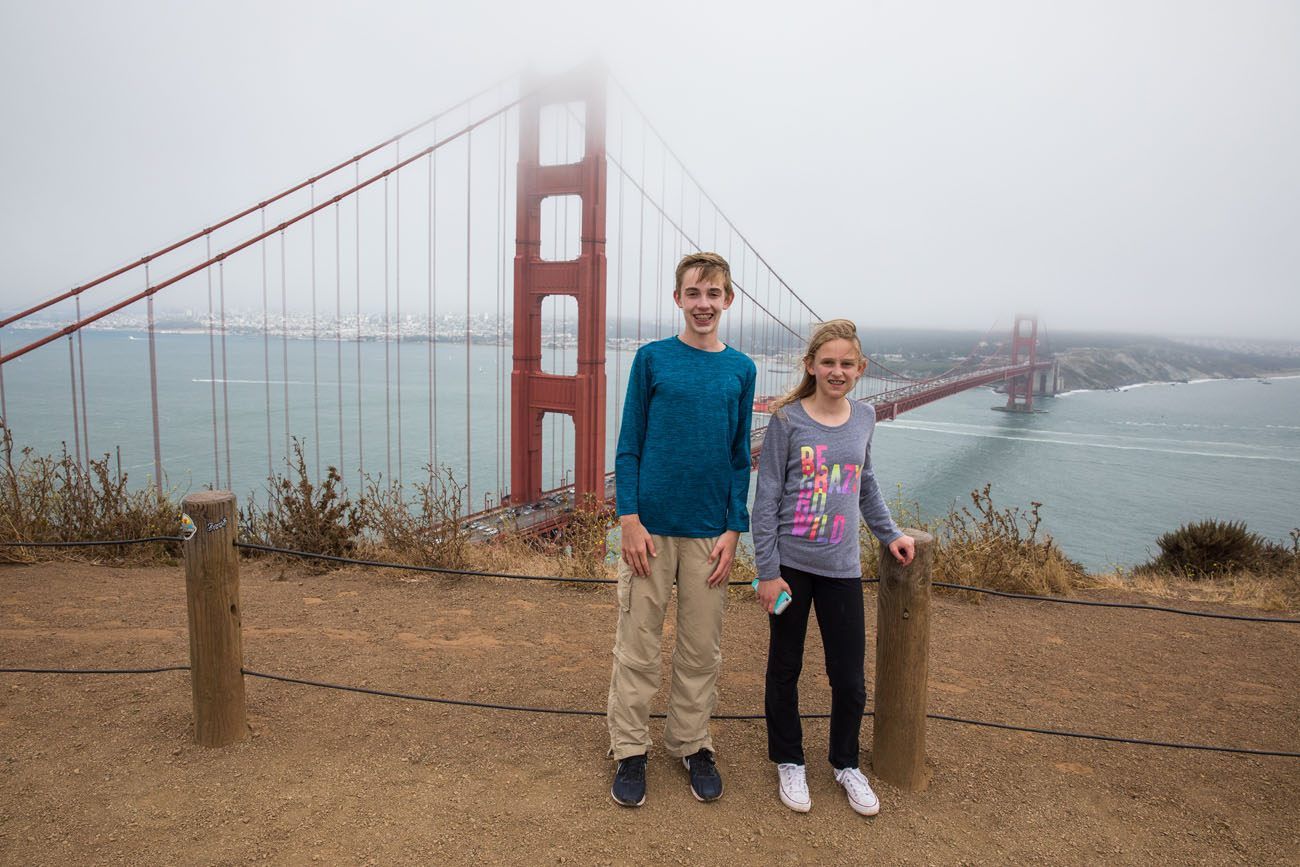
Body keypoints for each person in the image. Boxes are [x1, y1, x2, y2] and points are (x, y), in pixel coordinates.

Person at [607, 251, 757, 808]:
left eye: (713, 294)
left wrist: (733, 529)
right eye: (693, 294)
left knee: (701, 650)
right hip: (649, 530)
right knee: (638, 648)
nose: (703, 304)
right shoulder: (651, 360)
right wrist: (628, 518)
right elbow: (629, 445)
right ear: (677, 299)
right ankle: (629, 749)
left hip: (708, 535)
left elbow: (740, 459)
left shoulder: (742, 370)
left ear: (728, 300)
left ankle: (693, 744)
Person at [751, 318, 915, 817]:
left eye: (847, 364)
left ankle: (845, 763)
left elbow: (866, 485)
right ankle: (789, 760)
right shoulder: (786, 421)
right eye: (828, 362)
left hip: (842, 569)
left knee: (849, 678)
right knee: (785, 667)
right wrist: (767, 570)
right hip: (790, 570)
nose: (837, 371)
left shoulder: (864, 417)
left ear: (861, 369)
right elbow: (767, 500)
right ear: (811, 366)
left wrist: (891, 534)